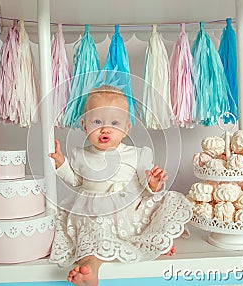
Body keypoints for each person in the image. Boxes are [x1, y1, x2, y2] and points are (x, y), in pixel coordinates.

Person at [49, 85, 192, 286]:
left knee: (165, 203)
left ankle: (158, 242)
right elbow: (76, 181)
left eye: (114, 123)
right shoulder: (80, 155)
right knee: (92, 236)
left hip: (130, 213)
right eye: (97, 121)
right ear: (84, 125)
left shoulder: (137, 154)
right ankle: (90, 268)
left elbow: (146, 185)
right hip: (95, 213)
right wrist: (61, 163)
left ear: (126, 129)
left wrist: (153, 183)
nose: (105, 128)